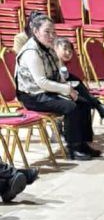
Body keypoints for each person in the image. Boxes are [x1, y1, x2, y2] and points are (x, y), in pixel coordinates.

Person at [15, 14, 96, 161]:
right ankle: (74, 148)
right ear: (35, 31)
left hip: (47, 90)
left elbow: (57, 73)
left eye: (54, 32)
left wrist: (65, 82)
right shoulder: (31, 52)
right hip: (32, 95)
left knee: (84, 102)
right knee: (71, 107)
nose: (52, 36)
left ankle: (83, 144)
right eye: (47, 32)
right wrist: (67, 90)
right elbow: (42, 82)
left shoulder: (49, 47)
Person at [53, 38, 104, 154]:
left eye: (70, 51)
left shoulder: (63, 66)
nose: (68, 52)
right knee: (78, 103)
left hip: (64, 91)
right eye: (65, 49)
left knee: (84, 101)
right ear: (55, 48)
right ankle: (98, 106)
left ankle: (85, 139)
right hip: (53, 94)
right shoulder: (51, 63)